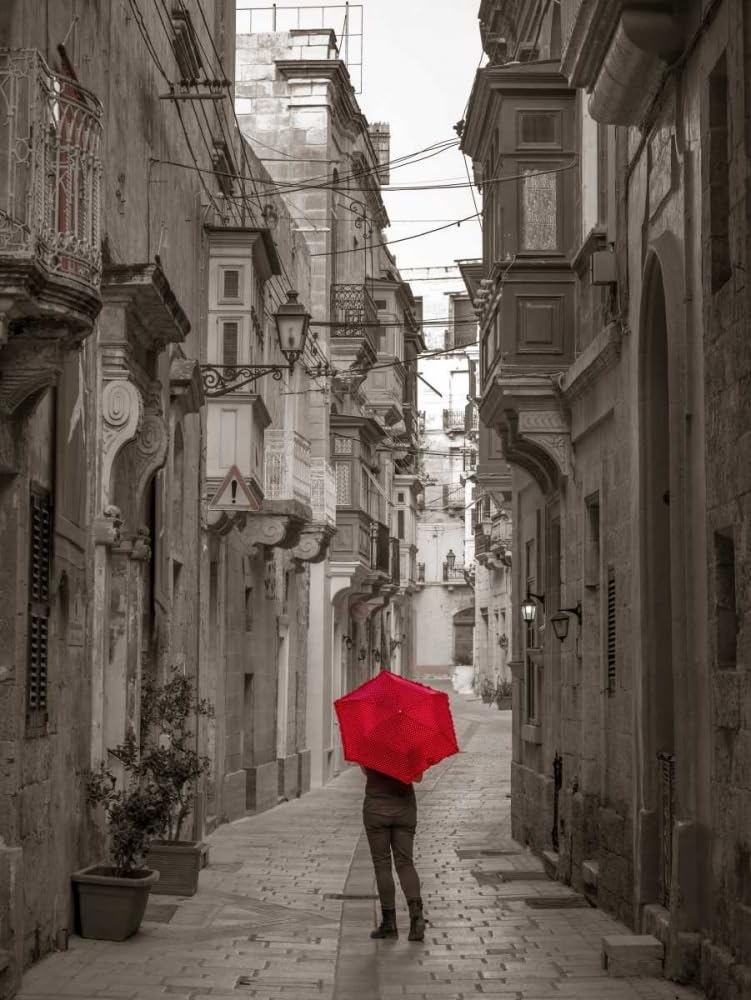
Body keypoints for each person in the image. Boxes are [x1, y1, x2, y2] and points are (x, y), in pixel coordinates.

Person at [361, 765, 426, 941]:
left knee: (382, 866)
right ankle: (416, 917)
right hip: (404, 809)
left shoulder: (369, 743)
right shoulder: (407, 743)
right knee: (405, 863)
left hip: (376, 809)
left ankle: (389, 924)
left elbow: (366, 771)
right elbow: (418, 777)